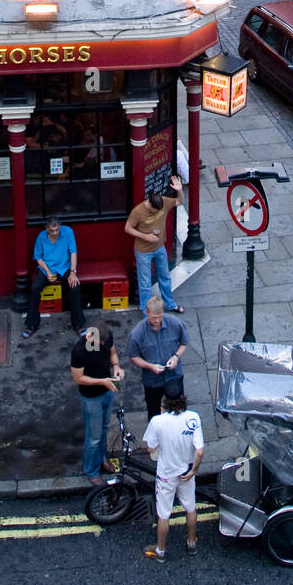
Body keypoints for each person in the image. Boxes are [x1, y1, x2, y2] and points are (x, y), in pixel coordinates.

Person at [143, 393, 204, 562]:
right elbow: (199, 451)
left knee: (164, 514)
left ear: (165, 403)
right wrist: (194, 470)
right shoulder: (193, 417)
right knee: (190, 508)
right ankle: (191, 542)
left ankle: (160, 551)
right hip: (186, 472)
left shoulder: (157, 421)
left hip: (166, 475)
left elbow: (150, 447)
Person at [70, 321, 124, 483]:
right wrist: (102, 382)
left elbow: (113, 354)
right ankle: (91, 471)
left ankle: (101, 460)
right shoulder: (79, 351)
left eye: (103, 343)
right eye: (98, 342)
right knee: (93, 437)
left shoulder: (106, 338)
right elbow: (78, 378)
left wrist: (116, 367)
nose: (101, 345)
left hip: (107, 391)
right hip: (91, 398)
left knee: (104, 429)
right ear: (89, 336)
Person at [124, 176, 185, 314]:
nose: (158, 212)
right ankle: (147, 313)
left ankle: (169, 304)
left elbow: (180, 201)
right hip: (143, 251)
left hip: (159, 247)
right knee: (145, 285)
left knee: (165, 277)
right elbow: (127, 228)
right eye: (154, 211)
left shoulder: (163, 202)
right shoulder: (138, 211)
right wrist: (145, 236)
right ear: (149, 204)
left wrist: (180, 190)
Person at [22, 216, 87, 339]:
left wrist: (73, 272)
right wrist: (47, 272)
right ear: (47, 229)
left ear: (60, 227)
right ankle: (31, 325)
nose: (55, 233)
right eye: (52, 230)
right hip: (47, 268)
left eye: (57, 230)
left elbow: (73, 252)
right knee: (34, 288)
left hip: (64, 268)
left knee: (75, 287)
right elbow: (38, 257)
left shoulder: (68, 232)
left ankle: (78, 324)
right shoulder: (41, 237)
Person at [128, 297, 189, 419]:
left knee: (179, 410)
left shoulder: (175, 323)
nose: (157, 320)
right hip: (152, 379)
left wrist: (176, 357)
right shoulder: (137, 333)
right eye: (153, 317)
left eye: (159, 316)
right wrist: (150, 366)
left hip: (173, 375)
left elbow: (184, 343)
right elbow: (133, 356)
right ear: (146, 312)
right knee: (153, 411)